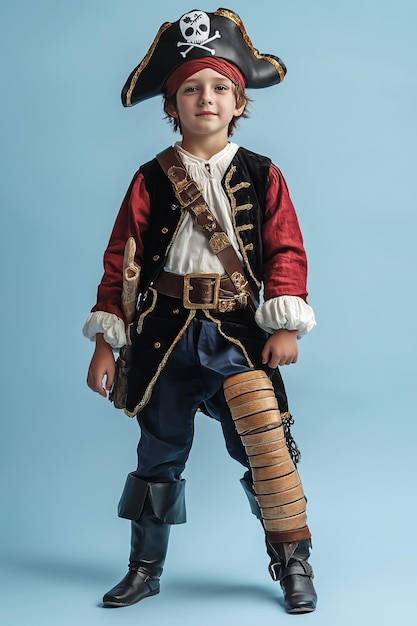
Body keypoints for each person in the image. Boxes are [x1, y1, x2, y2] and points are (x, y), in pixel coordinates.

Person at [83, 8, 318, 614]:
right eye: (191, 88)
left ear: (239, 102)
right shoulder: (149, 178)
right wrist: (106, 341)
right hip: (164, 337)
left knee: (266, 450)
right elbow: (121, 258)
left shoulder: (263, 174)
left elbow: (287, 247)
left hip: (237, 336)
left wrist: (285, 323)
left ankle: (293, 562)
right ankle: (144, 567)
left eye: (219, 87)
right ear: (172, 105)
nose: (205, 98)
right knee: (158, 453)